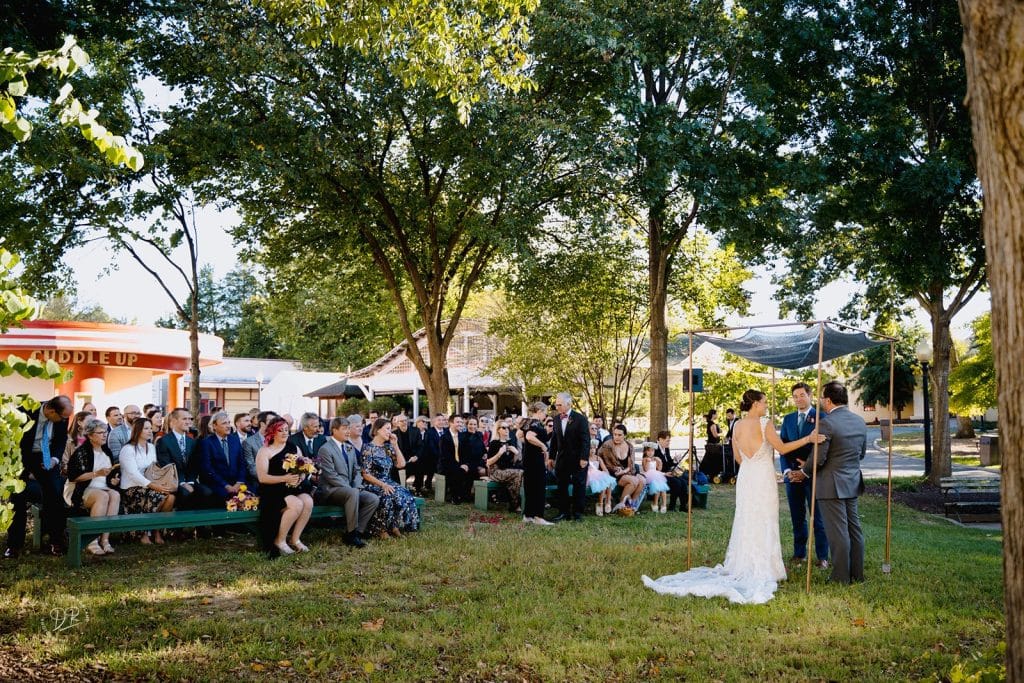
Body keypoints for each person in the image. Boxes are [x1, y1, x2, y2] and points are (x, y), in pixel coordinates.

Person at [642, 389, 824, 604]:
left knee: (746, 518)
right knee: (765, 518)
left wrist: (752, 463)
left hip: (746, 475)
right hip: (762, 477)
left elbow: (738, 457)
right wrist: (808, 438)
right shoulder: (764, 423)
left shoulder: (736, 425)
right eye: (764, 402)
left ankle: (743, 563)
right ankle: (766, 566)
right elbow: (783, 449)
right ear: (755, 404)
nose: (766, 406)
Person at [791, 381, 867, 585]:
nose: (821, 401)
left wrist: (804, 472)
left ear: (829, 400)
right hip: (852, 481)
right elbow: (861, 454)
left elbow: (818, 458)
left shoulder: (826, 423)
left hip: (830, 485)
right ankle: (857, 574)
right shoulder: (860, 421)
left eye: (822, 398)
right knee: (854, 530)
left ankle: (840, 577)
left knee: (838, 533)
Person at [3, 395, 73, 559]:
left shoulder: (62, 417)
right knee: (17, 498)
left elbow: (61, 439)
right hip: (21, 456)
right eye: (62, 417)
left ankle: (55, 541)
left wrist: (54, 459)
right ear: (51, 411)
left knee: (55, 494)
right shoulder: (24, 411)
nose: (64, 421)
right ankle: (14, 545)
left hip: (46, 456)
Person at [779, 382, 829, 568]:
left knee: (818, 518)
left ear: (810, 396)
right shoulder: (788, 419)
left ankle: (822, 556)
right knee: (797, 517)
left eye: (802, 395)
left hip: (813, 474)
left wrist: (805, 469)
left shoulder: (821, 417)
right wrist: (787, 471)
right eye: (795, 396)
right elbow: (783, 448)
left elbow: (823, 448)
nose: (798, 399)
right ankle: (799, 554)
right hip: (792, 476)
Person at [316, 417, 379, 548]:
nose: (348, 431)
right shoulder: (325, 449)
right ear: (334, 430)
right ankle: (351, 533)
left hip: (349, 490)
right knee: (352, 493)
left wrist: (356, 486)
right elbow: (330, 476)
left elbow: (357, 470)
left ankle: (358, 532)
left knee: (373, 499)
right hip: (330, 491)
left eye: (349, 428)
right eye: (344, 428)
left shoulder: (349, 448)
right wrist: (351, 488)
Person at [257, 417, 314, 557]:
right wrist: (285, 478)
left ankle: (295, 539)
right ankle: (280, 541)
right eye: (280, 430)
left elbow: (303, 469)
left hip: (292, 488)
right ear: (272, 432)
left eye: (286, 430)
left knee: (308, 501)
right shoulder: (265, 451)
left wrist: (300, 477)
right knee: (297, 504)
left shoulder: (294, 448)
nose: (284, 433)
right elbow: (262, 478)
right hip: (272, 489)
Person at [65, 417, 121, 556]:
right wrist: (96, 473)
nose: (104, 435)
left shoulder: (106, 451)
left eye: (105, 432)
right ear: (90, 435)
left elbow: (108, 477)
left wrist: (113, 481)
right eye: (100, 433)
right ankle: (92, 541)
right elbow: (74, 477)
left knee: (115, 494)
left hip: (102, 487)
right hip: (81, 489)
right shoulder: (81, 452)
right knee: (102, 496)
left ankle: (105, 539)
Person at [118, 417, 176, 543]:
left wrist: (160, 483)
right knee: (159, 497)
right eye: (146, 428)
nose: (150, 431)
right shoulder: (127, 449)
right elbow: (133, 474)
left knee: (171, 497)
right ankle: (143, 532)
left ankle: (156, 531)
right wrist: (153, 486)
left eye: (150, 428)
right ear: (138, 430)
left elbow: (154, 468)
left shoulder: (151, 447)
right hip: (132, 488)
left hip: (150, 485)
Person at [360, 418, 420, 538]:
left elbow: (401, 464)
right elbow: (365, 474)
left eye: (390, 429)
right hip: (372, 483)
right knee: (387, 497)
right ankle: (381, 529)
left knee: (406, 494)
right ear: (377, 430)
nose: (390, 432)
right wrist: (383, 485)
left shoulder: (388, 447)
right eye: (387, 429)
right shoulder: (368, 448)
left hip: (388, 481)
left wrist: (395, 445)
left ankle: (394, 526)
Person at [157, 408, 211, 509]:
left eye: (190, 419)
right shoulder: (164, 441)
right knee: (185, 493)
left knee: (207, 492)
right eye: (184, 419)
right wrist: (182, 483)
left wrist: (190, 482)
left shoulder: (192, 441)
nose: (188, 422)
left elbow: (194, 466)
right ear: (174, 421)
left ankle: (199, 519)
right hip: (173, 482)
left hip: (189, 480)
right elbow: (167, 466)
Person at [548, 392, 589, 522]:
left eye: (559, 405)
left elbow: (585, 440)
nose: (557, 407)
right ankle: (563, 512)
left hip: (578, 458)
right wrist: (551, 457)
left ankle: (577, 513)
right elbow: (554, 440)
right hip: (562, 458)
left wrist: (584, 458)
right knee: (562, 485)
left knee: (579, 485)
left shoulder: (580, 419)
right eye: (556, 405)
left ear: (569, 404)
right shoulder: (556, 419)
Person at [197, 411, 247, 503]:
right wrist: (226, 485)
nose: (228, 426)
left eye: (229, 422)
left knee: (251, 496)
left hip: (236, 483)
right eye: (224, 423)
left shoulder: (235, 440)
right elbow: (207, 469)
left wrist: (239, 482)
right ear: (214, 426)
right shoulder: (207, 442)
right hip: (218, 484)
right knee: (227, 498)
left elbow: (242, 463)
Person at [598, 425, 645, 513]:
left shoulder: (630, 446)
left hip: (627, 472)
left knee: (642, 480)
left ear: (625, 435)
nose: (616, 437)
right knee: (634, 481)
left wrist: (624, 471)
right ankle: (620, 506)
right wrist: (611, 469)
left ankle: (631, 506)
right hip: (613, 473)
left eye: (619, 435)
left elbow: (631, 465)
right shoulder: (607, 445)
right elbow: (599, 459)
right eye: (615, 434)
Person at [521, 402, 554, 526]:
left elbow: (520, 435)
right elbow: (529, 437)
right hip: (535, 459)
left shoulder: (527, 422)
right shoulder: (536, 423)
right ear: (539, 411)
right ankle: (538, 517)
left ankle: (528, 515)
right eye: (545, 412)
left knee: (530, 487)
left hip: (528, 458)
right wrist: (542, 446)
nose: (546, 415)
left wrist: (530, 446)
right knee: (539, 487)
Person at [485, 423, 523, 513]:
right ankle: (515, 505)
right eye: (504, 427)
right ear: (498, 429)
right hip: (495, 471)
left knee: (518, 476)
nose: (507, 429)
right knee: (519, 473)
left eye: (508, 428)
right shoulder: (494, 443)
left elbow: (514, 461)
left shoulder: (510, 442)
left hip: (508, 470)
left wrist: (516, 453)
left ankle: (515, 504)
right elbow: (488, 462)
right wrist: (499, 453)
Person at [439, 414, 471, 503]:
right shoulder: (444, 437)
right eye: (457, 422)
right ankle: (454, 496)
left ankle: (465, 495)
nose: (460, 424)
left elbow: (466, 453)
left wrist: (465, 464)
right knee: (457, 471)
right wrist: (459, 465)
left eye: (461, 422)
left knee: (472, 470)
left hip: (461, 463)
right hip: (446, 464)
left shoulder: (463, 437)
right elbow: (445, 456)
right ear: (451, 423)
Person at [652, 431, 687, 512]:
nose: (669, 443)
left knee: (683, 482)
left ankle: (683, 506)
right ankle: (672, 506)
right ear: (660, 439)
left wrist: (675, 460)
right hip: (659, 474)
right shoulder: (654, 449)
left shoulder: (666, 448)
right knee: (677, 483)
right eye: (667, 441)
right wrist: (666, 473)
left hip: (668, 472)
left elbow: (669, 462)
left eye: (669, 441)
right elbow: (656, 466)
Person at [585, 438, 616, 516]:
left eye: (594, 448)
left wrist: (606, 475)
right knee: (603, 483)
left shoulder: (598, 458)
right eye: (590, 448)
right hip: (589, 476)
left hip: (598, 474)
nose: (592, 450)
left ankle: (608, 501)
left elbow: (604, 468)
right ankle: (600, 504)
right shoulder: (585, 458)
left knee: (608, 481)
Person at [642, 442, 670, 513]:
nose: (650, 452)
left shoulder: (655, 459)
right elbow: (646, 470)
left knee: (663, 487)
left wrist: (660, 462)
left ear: (654, 451)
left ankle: (664, 505)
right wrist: (648, 462)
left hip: (656, 475)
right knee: (657, 486)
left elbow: (659, 469)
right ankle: (655, 504)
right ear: (645, 451)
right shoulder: (645, 459)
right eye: (648, 451)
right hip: (648, 476)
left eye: (652, 451)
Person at [62, 410, 92, 476]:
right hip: (74, 477)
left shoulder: (93, 439)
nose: (92, 424)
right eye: (89, 421)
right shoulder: (68, 440)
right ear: (79, 422)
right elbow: (64, 462)